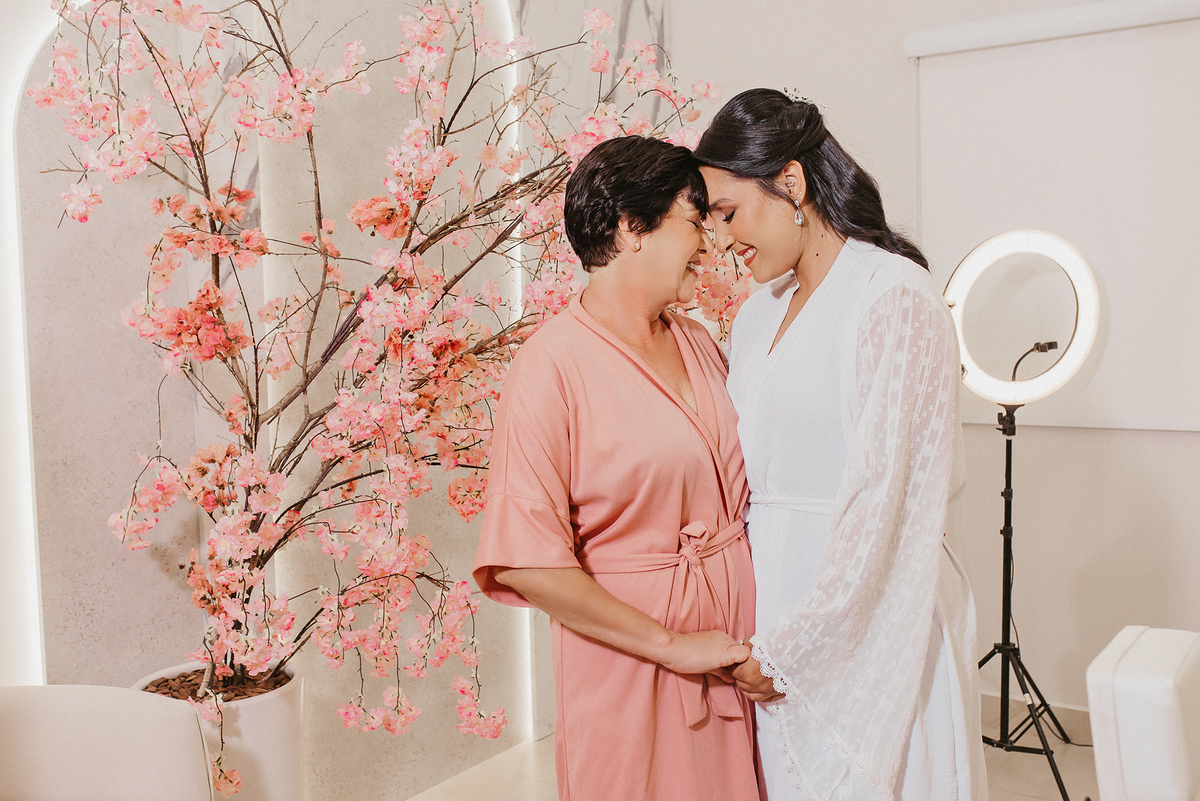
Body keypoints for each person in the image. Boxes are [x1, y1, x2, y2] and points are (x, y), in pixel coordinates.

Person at [694, 88, 990, 800]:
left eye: (729, 212)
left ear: (791, 182)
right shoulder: (754, 317)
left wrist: (799, 647)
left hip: (868, 614)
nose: (723, 239)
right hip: (771, 619)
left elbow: (886, 500)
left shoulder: (894, 296)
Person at [472, 135, 764, 801]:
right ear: (632, 226)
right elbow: (525, 562)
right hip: (632, 663)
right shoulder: (549, 368)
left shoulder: (698, 342)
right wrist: (671, 644)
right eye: (694, 221)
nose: (711, 243)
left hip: (732, 653)